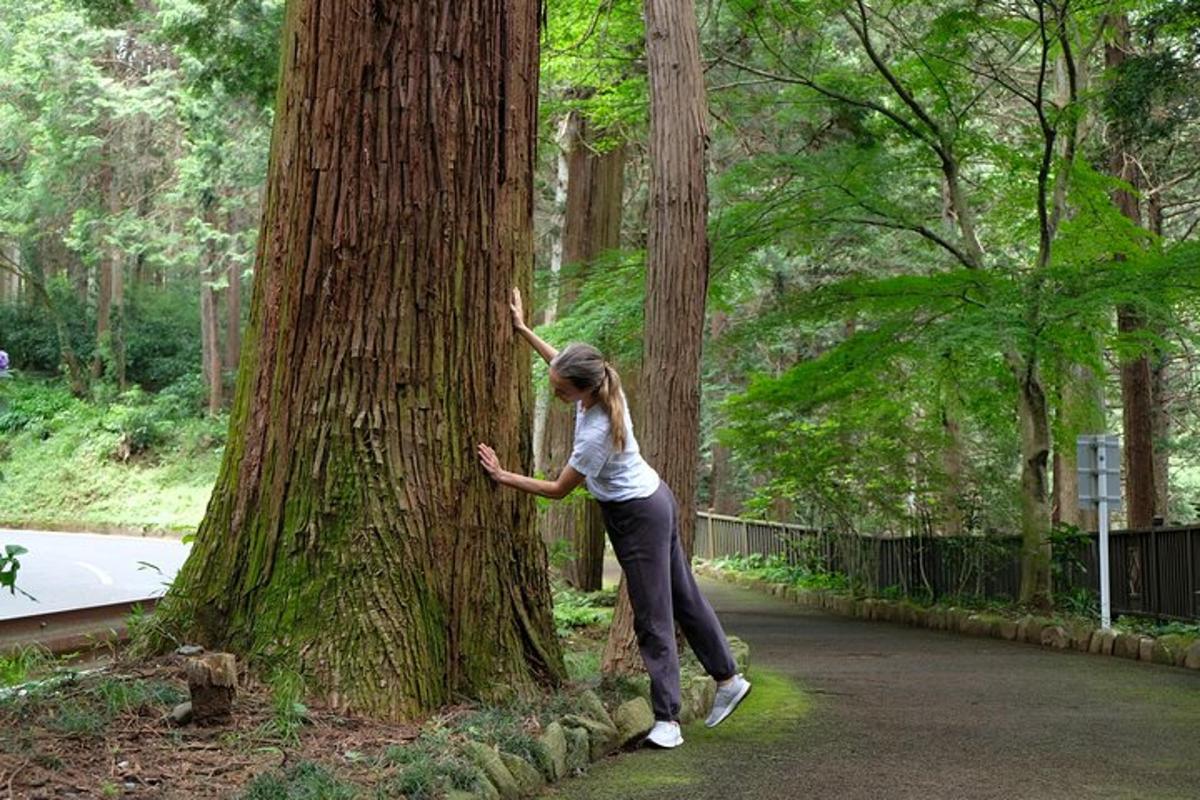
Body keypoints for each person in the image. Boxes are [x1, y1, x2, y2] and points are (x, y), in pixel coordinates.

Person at [477, 288, 751, 749]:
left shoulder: (598, 431)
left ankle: (668, 720)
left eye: (562, 392)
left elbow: (560, 490)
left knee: (653, 615)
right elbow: (558, 363)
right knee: (683, 597)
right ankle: (727, 679)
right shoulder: (598, 381)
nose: (556, 392)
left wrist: (503, 475)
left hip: (637, 516)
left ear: (584, 390)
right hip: (656, 499)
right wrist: (523, 330)